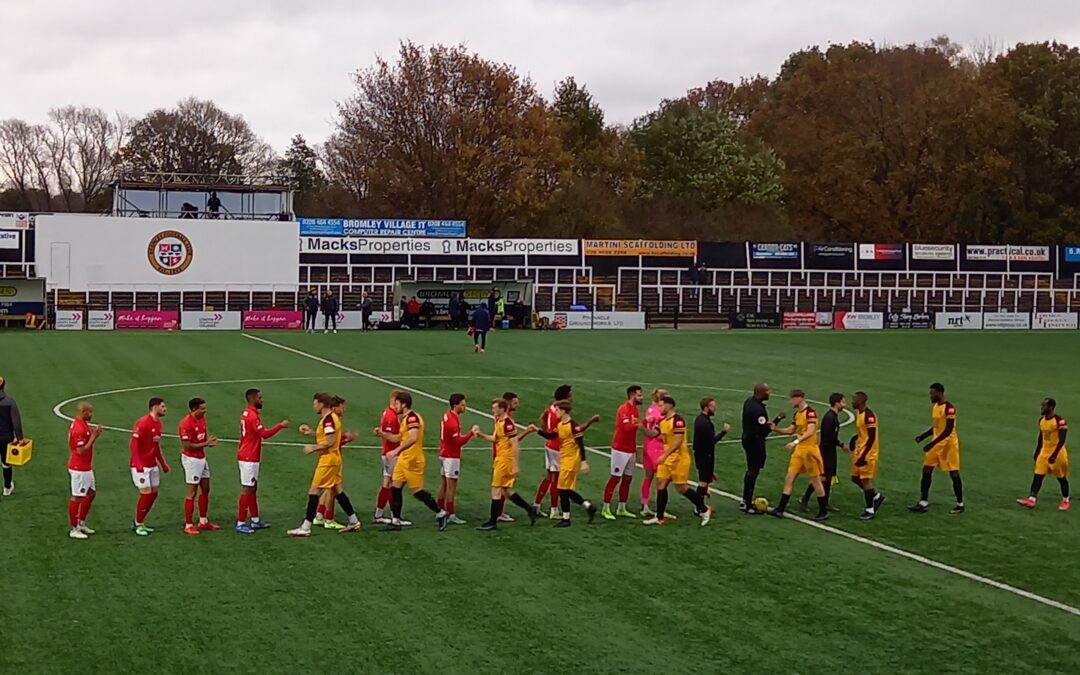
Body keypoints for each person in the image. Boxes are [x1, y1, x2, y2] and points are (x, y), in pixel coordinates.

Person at [288, 393, 363, 537]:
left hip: (328, 461)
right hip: (333, 459)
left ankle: (306, 527)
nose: (314, 406)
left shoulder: (328, 420)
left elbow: (329, 442)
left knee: (314, 491)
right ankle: (354, 521)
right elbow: (328, 437)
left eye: (315, 403)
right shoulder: (331, 418)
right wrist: (311, 432)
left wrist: (313, 448)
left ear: (322, 404)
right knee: (338, 490)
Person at [377, 392, 449, 531]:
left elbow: (413, 438)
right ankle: (396, 521)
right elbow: (399, 437)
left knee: (417, 492)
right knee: (395, 488)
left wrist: (396, 451)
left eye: (397, 404)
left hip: (413, 460)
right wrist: (383, 434)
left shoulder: (412, 419)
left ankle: (441, 513)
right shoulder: (405, 419)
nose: (395, 407)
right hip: (404, 460)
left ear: (404, 404)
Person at [641, 396, 710, 526]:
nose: (659, 408)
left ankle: (704, 509)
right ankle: (659, 517)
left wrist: (664, 454)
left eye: (661, 406)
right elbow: (654, 434)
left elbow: (678, 442)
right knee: (661, 484)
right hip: (667, 459)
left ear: (669, 406)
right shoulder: (662, 422)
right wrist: (641, 426)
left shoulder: (678, 421)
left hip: (679, 459)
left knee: (681, 488)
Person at [476, 399, 540, 530]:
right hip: (501, 458)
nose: (492, 410)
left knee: (496, 489)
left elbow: (515, 444)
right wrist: (480, 435)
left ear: (502, 409)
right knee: (507, 490)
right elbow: (495, 439)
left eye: (494, 408)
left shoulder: (508, 424)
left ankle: (493, 521)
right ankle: (530, 509)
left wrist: (516, 465)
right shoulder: (499, 422)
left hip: (505, 460)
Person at [766, 390, 830, 521]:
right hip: (800, 450)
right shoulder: (797, 414)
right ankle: (780, 509)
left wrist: (796, 441)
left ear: (799, 398)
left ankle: (823, 511)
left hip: (810, 451)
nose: (791, 402)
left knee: (816, 481)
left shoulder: (810, 412)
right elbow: (791, 430)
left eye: (792, 399)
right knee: (790, 477)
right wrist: (775, 429)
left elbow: (811, 431)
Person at [537, 401, 598, 527]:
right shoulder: (560, 425)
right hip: (564, 459)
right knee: (565, 489)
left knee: (562, 489)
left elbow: (580, 444)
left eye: (558, 410)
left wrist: (584, 462)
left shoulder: (573, 426)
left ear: (564, 411)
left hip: (571, 460)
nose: (557, 413)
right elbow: (551, 436)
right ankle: (588, 506)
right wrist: (536, 430)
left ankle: (566, 518)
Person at [236, 388, 288, 534]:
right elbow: (264, 434)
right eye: (260, 397)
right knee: (247, 489)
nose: (262, 400)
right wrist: (280, 426)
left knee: (252, 488)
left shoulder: (248, 413)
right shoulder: (252, 416)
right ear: (252, 399)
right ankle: (240, 522)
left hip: (249, 454)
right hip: (249, 457)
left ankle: (255, 520)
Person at [909, 383, 964, 514]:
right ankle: (923, 502)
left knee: (953, 473)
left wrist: (931, 444)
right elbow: (936, 427)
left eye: (932, 393)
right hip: (936, 443)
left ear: (940, 393)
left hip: (949, 445)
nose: (931, 396)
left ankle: (960, 503)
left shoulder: (949, 408)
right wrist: (923, 436)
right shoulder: (935, 407)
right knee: (927, 469)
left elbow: (948, 430)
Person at [1017, 398, 1070, 511]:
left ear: (1051, 407)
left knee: (1061, 477)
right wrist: (1037, 451)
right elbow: (1041, 437)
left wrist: (1054, 455)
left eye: (1044, 406)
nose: (1041, 408)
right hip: (1044, 452)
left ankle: (1065, 500)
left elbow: (1062, 440)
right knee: (1038, 475)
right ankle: (1032, 499)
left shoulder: (1060, 421)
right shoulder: (1042, 420)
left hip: (1058, 452)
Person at [178, 397, 220, 535]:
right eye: (202, 408)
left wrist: (208, 443)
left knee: (206, 488)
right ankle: (188, 524)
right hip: (191, 460)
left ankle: (203, 521)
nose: (205, 410)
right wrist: (206, 444)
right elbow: (187, 445)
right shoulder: (186, 423)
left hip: (202, 458)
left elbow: (203, 438)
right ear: (194, 409)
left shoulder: (202, 420)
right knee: (192, 493)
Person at [130, 397, 171, 536]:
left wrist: (163, 463)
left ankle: (139, 521)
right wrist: (138, 463)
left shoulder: (158, 424)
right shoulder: (142, 423)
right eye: (163, 406)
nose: (165, 409)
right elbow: (133, 444)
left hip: (152, 464)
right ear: (155, 407)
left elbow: (156, 445)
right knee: (146, 494)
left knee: (154, 494)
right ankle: (138, 523)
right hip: (140, 466)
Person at [602, 385, 643, 520]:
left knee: (627, 479)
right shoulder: (624, 409)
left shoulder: (635, 409)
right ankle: (605, 508)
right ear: (632, 395)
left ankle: (621, 508)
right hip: (620, 449)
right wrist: (640, 424)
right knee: (615, 478)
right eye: (639, 395)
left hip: (631, 449)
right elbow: (626, 428)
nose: (642, 398)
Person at [740, 383, 783, 514]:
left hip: (748, 438)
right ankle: (747, 503)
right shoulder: (758, 410)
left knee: (751, 470)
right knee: (753, 471)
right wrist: (777, 420)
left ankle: (745, 500)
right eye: (767, 391)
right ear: (761, 392)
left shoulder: (749, 402)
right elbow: (763, 431)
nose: (769, 393)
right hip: (754, 442)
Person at [438, 393, 478, 525]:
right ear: (455, 406)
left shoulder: (447, 416)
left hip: (443, 453)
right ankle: (450, 514)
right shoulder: (452, 422)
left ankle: (439, 510)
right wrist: (472, 433)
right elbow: (458, 442)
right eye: (462, 404)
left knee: (443, 484)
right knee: (451, 487)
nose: (465, 406)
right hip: (451, 456)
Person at [802, 393, 844, 513]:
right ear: (837, 403)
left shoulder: (833, 417)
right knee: (821, 478)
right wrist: (839, 445)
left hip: (830, 451)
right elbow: (827, 437)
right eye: (843, 402)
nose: (844, 405)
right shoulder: (829, 418)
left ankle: (825, 502)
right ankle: (805, 498)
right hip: (825, 452)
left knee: (829, 478)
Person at [67, 402, 103, 539]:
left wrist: (92, 434)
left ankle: (81, 522)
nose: (92, 414)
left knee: (91, 493)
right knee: (77, 497)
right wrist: (94, 437)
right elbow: (81, 450)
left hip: (85, 466)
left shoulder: (81, 424)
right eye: (90, 412)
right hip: (79, 467)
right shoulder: (79, 429)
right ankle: (74, 528)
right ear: (83, 412)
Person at [850, 391, 886, 520]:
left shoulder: (869, 416)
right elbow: (863, 432)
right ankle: (876, 496)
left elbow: (871, 438)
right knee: (855, 478)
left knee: (865, 480)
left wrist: (863, 456)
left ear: (860, 401)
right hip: (860, 450)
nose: (852, 402)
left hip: (868, 453)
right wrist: (854, 439)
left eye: (854, 400)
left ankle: (870, 510)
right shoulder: (859, 414)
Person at [692, 397, 731, 513]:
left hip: (703, 454)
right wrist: (724, 432)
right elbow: (711, 441)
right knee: (703, 482)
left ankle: (700, 505)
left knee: (704, 481)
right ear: (706, 408)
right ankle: (699, 508)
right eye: (713, 406)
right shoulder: (704, 423)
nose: (715, 408)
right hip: (704, 456)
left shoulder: (702, 420)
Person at [372, 390, 402, 524]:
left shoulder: (389, 413)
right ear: (395, 400)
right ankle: (394, 516)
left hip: (388, 453)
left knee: (387, 483)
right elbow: (391, 438)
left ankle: (379, 515)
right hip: (391, 453)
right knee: (393, 485)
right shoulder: (391, 416)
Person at [640, 388, 668, 516]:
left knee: (648, 476)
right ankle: (659, 508)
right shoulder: (660, 412)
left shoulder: (650, 409)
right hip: (657, 446)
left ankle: (645, 505)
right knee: (661, 478)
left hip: (647, 445)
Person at [0, 375, 23, 497]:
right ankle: (7, 487)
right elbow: (16, 423)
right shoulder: (9, 401)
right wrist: (20, 438)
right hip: (5, 438)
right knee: (6, 463)